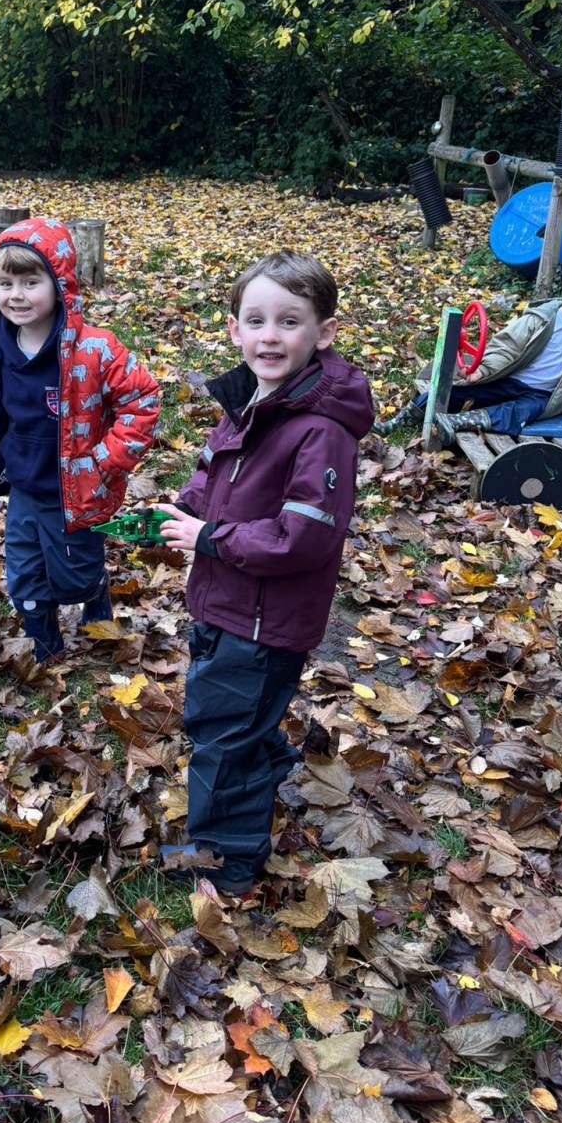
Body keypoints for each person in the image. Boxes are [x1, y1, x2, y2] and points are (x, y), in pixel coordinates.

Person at [156, 250, 374, 896]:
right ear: (234, 329)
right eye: (256, 321)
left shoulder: (320, 430)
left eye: (289, 322)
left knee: (225, 737)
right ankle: (263, 767)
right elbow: (213, 470)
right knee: (223, 718)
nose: (270, 336)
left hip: (263, 617)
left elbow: (303, 536)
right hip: (226, 599)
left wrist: (210, 537)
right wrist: (186, 508)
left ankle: (225, 863)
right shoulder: (252, 398)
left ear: (323, 333)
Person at [0, 217, 160, 662]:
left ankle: (95, 595)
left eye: (30, 282)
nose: (16, 295)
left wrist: (105, 461)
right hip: (22, 485)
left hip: (76, 490)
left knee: (75, 575)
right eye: (6, 284)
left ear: (60, 286)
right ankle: (45, 644)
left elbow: (143, 399)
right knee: (24, 575)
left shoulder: (94, 349)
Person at [376, 251, 562, 446]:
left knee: (519, 412)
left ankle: (458, 421)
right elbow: (506, 348)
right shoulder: (541, 320)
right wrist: (483, 371)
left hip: (542, 396)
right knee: (455, 390)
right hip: (511, 380)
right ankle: (401, 420)